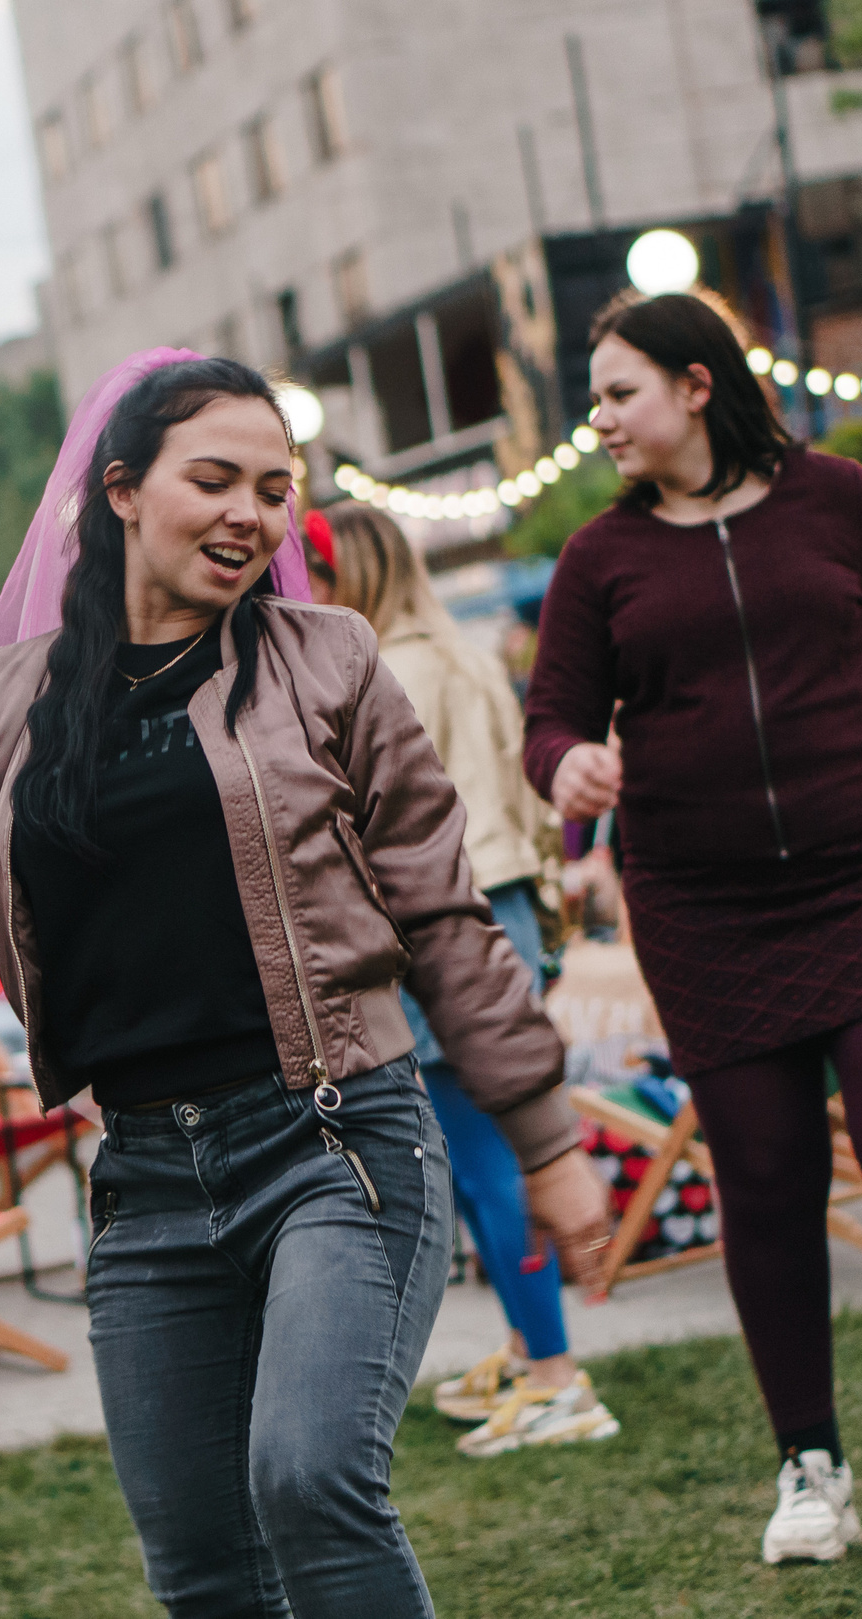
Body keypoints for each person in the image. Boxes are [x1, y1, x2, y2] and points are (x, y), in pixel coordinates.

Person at [0, 351, 610, 1618]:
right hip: (145, 1186)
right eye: (212, 479)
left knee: (310, 1480)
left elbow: (443, 920)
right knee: (204, 1573)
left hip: (339, 1146)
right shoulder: (0, 706)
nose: (249, 515)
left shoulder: (326, 663)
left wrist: (543, 1137)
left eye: (273, 491)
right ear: (117, 491)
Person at [524, 291, 862, 1567]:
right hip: (705, 905)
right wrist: (569, 762)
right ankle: (810, 1470)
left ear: (694, 385)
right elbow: (551, 718)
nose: (600, 418)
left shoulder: (838, 499)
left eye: (618, 392)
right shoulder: (598, 561)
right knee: (770, 1177)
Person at [318, 501, 618, 1458]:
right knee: (494, 1150)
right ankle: (531, 1347)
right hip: (511, 903)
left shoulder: (384, 668)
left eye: (319, 574)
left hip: (448, 921)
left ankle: (555, 1374)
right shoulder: (463, 650)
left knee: (487, 1162)